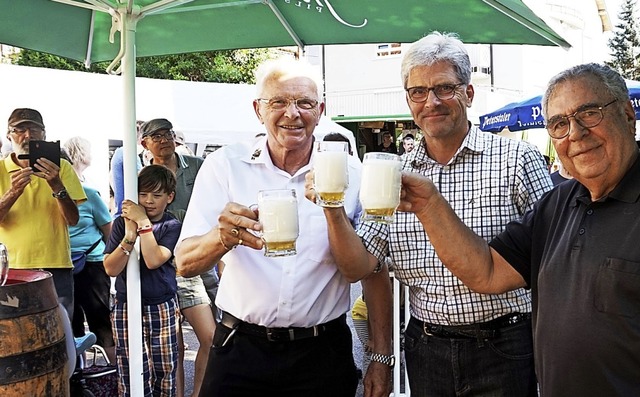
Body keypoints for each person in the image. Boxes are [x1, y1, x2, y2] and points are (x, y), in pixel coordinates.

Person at [310, 32, 553, 396]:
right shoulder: (393, 174)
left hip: (505, 343)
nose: (431, 102)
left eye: (444, 88)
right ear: (408, 100)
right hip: (426, 347)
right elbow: (359, 266)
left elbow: (555, 259)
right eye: (418, 92)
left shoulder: (516, 160)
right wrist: (331, 207)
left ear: (468, 93)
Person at [395, 63, 640, 396]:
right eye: (559, 124)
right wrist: (429, 205)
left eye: (590, 113)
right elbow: (487, 271)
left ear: (627, 114)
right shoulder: (556, 205)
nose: (576, 134)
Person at [175, 57, 392, 397]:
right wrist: (223, 237)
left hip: (321, 353)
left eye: (304, 103)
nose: (292, 113)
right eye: (278, 102)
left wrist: (381, 357)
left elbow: (374, 271)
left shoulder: (353, 174)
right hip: (240, 347)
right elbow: (185, 262)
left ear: (320, 110)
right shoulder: (226, 166)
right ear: (258, 109)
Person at [139, 117, 213, 397]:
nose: (164, 139)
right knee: (176, 344)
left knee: (212, 337)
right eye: (156, 135)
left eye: (167, 133)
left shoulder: (196, 166)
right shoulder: (144, 176)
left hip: (203, 258)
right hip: (167, 267)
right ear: (145, 143)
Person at [0, 108, 85, 321]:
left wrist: (56, 183)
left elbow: (73, 220)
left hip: (55, 264)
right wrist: (12, 193)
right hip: (12, 267)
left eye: (34, 129)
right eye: (19, 130)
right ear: (9, 135)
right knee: (14, 330)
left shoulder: (62, 167)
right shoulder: (1, 170)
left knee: (60, 327)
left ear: (44, 134)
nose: (27, 136)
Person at [103, 164, 181, 397]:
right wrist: (129, 236)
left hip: (162, 304)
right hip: (126, 305)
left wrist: (144, 226)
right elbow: (110, 268)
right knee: (130, 367)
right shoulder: (121, 224)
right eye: (143, 194)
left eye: (157, 195)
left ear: (170, 197)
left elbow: (154, 259)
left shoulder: (171, 225)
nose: (149, 201)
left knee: (164, 368)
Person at [63, 136, 116, 364]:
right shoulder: (44, 198)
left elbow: (109, 231)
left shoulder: (90, 194)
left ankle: (117, 372)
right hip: (62, 264)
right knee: (70, 322)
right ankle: (80, 372)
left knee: (100, 320)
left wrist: (110, 260)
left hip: (92, 265)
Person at [110, 119, 145, 218]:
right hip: (128, 215)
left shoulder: (119, 153)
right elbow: (143, 180)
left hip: (122, 212)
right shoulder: (129, 154)